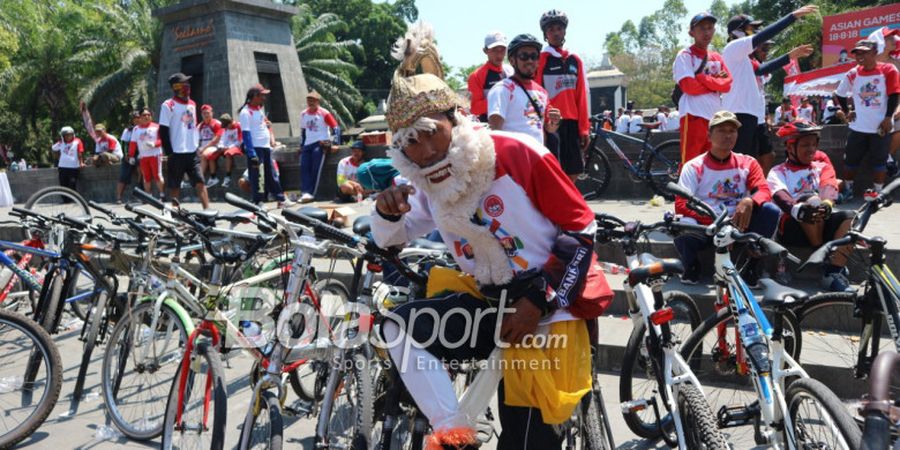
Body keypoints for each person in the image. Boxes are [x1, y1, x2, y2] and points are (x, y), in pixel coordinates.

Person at [373, 22, 608, 450]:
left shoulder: (518, 152)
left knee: (525, 442)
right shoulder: (426, 182)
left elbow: (581, 227)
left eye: (431, 133)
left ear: (454, 118)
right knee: (398, 327)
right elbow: (396, 236)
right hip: (489, 304)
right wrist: (386, 212)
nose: (425, 152)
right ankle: (453, 430)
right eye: (410, 143)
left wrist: (538, 301)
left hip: (549, 307)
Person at [673, 111, 779, 285]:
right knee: (682, 222)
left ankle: (752, 266)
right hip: (707, 225)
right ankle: (691, 265)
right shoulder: (693, 166)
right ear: (709, 135)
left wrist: (750, 200)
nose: (728, 135)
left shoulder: (748, 162)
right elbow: (682, 204)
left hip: (739, 226)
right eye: (721, 130)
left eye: (732, 131)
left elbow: (764, 190)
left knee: (770, 210)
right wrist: (718, 222)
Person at [721, 6, 817, 173]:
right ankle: (740, 193)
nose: (756, 32)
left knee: (765, 156)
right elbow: (764, 36)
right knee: (742, 160)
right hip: (739, 113)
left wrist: (790, 56)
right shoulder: (733, 49)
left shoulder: (747, 58)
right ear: (737, 32)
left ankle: (758, 189)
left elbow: (762, 70)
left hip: (753, 116)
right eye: (752, 28)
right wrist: (792, 16)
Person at [769, 120, 855, 292]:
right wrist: (799, 208)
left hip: (820, 220)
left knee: (850, 216)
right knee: (809, 199)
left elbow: (829, 185)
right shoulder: (778, 171)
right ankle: (821, 255)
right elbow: (780, 195)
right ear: (790, 147)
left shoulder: (821, 167)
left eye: (814, 144)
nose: (811, 149)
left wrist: (828, 203)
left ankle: (832, 271)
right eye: (805, 145)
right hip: (792, 227)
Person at [835, 39, 900, 199]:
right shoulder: (853, 73)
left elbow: (894, 94)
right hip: (858, 127)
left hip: (881, 127)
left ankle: (877, 192)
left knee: (880, 161)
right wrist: (847, 110)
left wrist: (887, 117)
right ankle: (848, 190)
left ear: (874, 53)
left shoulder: (888, 69)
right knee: (850, 161)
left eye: (864, 52)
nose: (859, 56)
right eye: (857, 53)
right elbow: (839, 93)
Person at [536, 10, 590, 182]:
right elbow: (536, 92)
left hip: (572, 123)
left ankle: (569, 205)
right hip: (552, 123)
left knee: (573, 170)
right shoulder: (541, 59)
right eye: (551, 29)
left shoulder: (575, 60)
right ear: (545, 34)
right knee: (554, 170)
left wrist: (584, 128)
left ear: (564, 31)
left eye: (559, 28)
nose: (556, 32)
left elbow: (581, 96)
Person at [673, 12, 733, 165]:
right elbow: (689, 87)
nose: (706, 32)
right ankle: (684, 190)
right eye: (702, 29)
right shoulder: (685, 55)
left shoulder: (717, 57)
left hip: (715, 118)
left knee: (712, 162)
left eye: (710, 28)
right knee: (690, 163)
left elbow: (727, 85)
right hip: (693, 115)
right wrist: (715, 83)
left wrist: (703, 78)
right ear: (692, 32)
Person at [487, 33, 560, 145]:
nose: (530, 61)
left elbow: (548, 128)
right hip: (513, 158)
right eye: (524, 56)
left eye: (534, 56)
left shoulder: (542, 92)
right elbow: (495, 131)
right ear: (512, 60)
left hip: (536, 157)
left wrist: (554, 122)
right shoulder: (502, 89)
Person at [159, 72, 209, 209]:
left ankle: (208, 212)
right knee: (175, 186)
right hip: (176, 152)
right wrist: (169, 153)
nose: (187, 86)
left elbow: (192, 127)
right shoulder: (168, 105)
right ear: (176, 87)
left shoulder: (192, 104)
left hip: (192, 152)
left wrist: (197, 146)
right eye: (184, 83)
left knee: (200, 182)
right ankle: (176, 214)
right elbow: (163, 130)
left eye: (188, 83)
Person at [239, 83, 287, 206]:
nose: (264, 98)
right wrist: (251, 153)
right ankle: (259, 201)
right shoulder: (245, 112)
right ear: (255, 96)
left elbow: (261, 125)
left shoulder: (259, 110)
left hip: (265, 147)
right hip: (256, 148)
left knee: (271, 173)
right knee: (258, 176)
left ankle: (280, 198)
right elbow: (246, 134)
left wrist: (268, 126)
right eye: (262, 96)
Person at [299, 90, 340, 203]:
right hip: (307, 144)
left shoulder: (324, 112)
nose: (310, 103)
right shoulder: (303, 114)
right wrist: (301, 145)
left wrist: (335, 143)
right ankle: (305, 192)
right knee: (304, 167)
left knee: (316, 168)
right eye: (309, 100)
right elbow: (303, 131)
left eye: (313, 100)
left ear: (318, 101)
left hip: (320, 143)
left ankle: (312, 193)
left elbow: (335, 127)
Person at [468, 31, 513, 123]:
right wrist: (500, 99)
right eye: (495, 49)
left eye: (502, 49)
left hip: (512, 123)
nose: (499, 54)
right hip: (489, 126)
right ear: (485, 51)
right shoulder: (476, 76)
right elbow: (475, 108)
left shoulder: (512, 71)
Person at [128, 108, 165, 200]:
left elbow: (162, 140)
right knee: (146, 177)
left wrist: (154, 144)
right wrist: (131, 155)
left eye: (148, 115)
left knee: (157, 175)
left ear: (151, 117)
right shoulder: (136, 129)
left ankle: (162, 195)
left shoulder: (156, 127)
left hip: (155, 155)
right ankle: (149, 197)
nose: (146, 117)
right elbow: (133, 143)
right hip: (143, 156)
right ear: (140, 117)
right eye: (144, 115)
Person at [211, 113, 242, 188]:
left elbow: (240, 141)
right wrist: (221, 146)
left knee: (228, 154)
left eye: (227, 125)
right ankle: (213, 177)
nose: (226, 127)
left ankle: (228, 176)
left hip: (237, 147)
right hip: (226, 147)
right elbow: (222, 140)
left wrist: (229, 147)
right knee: (211, 155)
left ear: (231, 122)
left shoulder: (238, 126)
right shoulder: (225, 128)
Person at [196, 104, 224, 186]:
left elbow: (216, 140)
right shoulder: (200, 126)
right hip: (204, 146)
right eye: (204, 113)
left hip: (215, 146)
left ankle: (201, 178)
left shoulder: (217, 123)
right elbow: (197, 139)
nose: (206, 115)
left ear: (212, 113)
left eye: (207, 113)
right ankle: (187, 181)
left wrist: (204, 148)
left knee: (204, 155)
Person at [116, 111, 141, 203]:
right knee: (123, 176)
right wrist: (126, 154)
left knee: (141, 172)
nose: (137, 119)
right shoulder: (128, 130)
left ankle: (139, 193)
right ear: (132, 120)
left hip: (140, 154)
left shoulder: (143, 129)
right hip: (129, 154)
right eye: (135, 118)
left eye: (139, 117)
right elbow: (123, 143)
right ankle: (118, 197)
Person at [51, 126, 84, 191]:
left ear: (73, 134)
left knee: (72, 184)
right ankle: (66, 201)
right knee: (63, 185)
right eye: (66, 135)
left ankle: (73, 200)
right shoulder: (60, 143)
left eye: (70, 134)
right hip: (62, 167)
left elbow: (80, 152)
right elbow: (53, 149)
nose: (68, 136)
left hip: (73, 167)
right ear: (63, 136)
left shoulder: (77, 141)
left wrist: (81, 162)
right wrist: (58, 157)